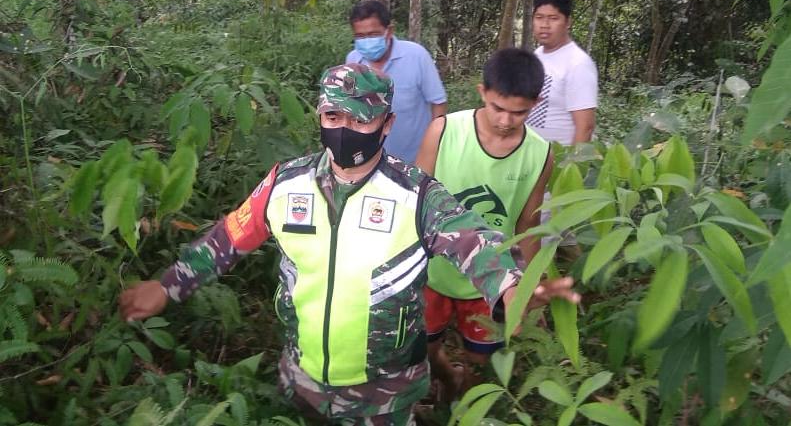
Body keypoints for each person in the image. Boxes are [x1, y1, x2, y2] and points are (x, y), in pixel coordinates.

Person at [119, 63, 579, 426]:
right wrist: (169, 285)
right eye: (332, 116)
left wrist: (511, 286)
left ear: (386, 123)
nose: (344, 128)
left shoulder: (416, 194)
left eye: (361, 118)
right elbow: (228, 237)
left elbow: (473, 240)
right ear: (319, 116)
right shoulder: (285, 183)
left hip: (386, 392)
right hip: (303, 379)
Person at [414, 48, 553, 401]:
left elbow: (528, 222)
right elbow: (413, 203)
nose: (506, 120)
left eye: (518, 112)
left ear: (535, 104)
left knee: (480, 359)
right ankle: (448, 381)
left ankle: (465, 404)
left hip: (491, 281)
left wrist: (529, 285)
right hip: (434, 274)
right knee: (424, 353)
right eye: (498, 108)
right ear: (482, 93)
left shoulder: (539, 153)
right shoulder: (443, 131)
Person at [345, 0, 447, 163]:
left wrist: (436, 147)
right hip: (372, 159)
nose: (366, 41)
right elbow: (349, 103)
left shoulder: (417, 56)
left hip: (415, 158)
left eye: (373, 35)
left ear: (389, 31)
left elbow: (438, 103)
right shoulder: (353, 60)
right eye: (360, 36)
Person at [525, 0, 598, 145]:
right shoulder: (538, 55)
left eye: (553, 18)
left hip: (558, 159)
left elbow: (585, 126)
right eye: (539, 17)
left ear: (568, 22)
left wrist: (572, 165)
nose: (544, 25)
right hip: (531, 155)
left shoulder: (578, 63)